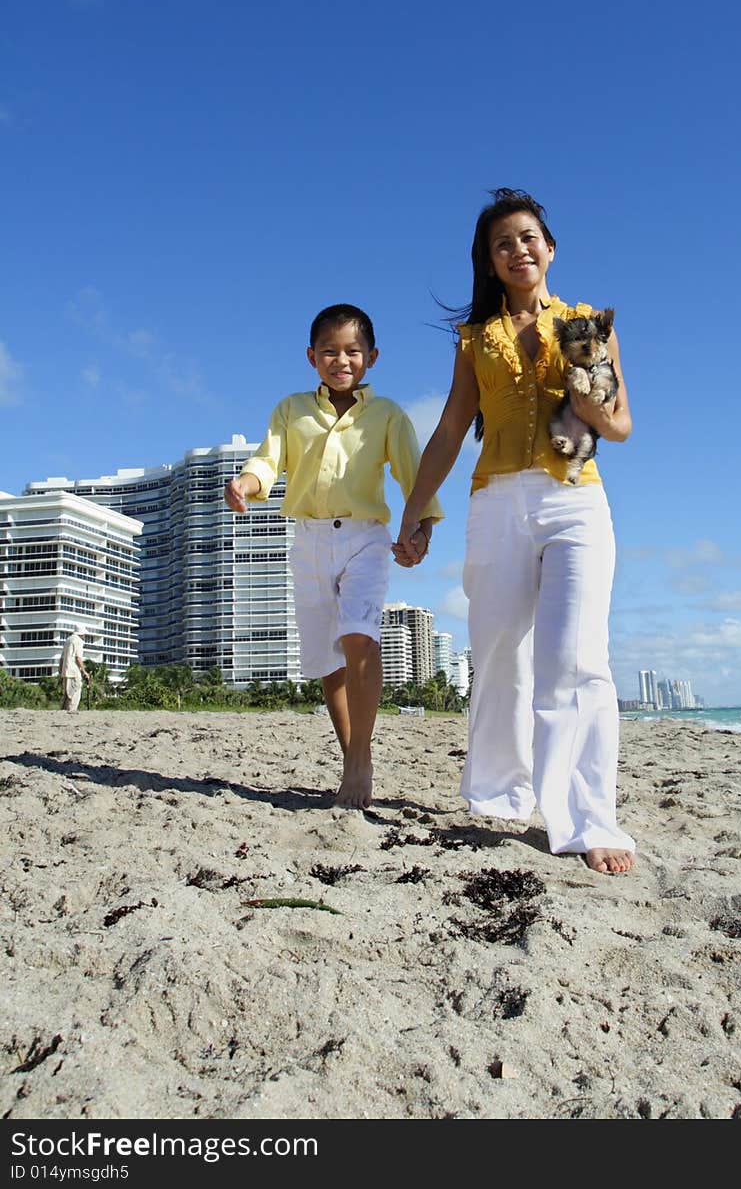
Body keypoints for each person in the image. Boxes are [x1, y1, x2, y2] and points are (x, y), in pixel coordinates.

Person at [393, 190, 635, 874]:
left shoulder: (587, 325)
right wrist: (416, 508)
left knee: (577, 657)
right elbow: (448, 428)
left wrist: (592, 402)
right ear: (492, 263)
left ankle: (590, 820)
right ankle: (501, 795)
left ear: (549, 248)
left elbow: (619, 426)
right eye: (504, 244)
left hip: (574, 500)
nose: (518, 250)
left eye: (529, 237)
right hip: (495, 501)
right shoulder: (476, 339)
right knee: (498, 654)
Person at [225, 303, 442, 809]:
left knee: (359, 636)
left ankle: (361, 759)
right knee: (328, 660)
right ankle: (352, 755)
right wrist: (245, 483)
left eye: (352, 351)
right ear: (311, 356)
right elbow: (268, 460)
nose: (340, 360)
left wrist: (423, 528)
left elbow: (415, 476)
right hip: (308, 540)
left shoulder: (387, 414)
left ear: (372, 357)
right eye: (329, 351)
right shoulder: (291, 409)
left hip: (367, 537)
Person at [60, 624, 90, 713]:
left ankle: (64, 710)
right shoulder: (78, 641)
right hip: (73, 670)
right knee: (75, 691)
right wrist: (84, 671)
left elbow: (62, 658)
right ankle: (72, 710)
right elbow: (78, 658)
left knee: (67, 693)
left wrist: (60, 670)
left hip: (65, 670)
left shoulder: (68, 640)